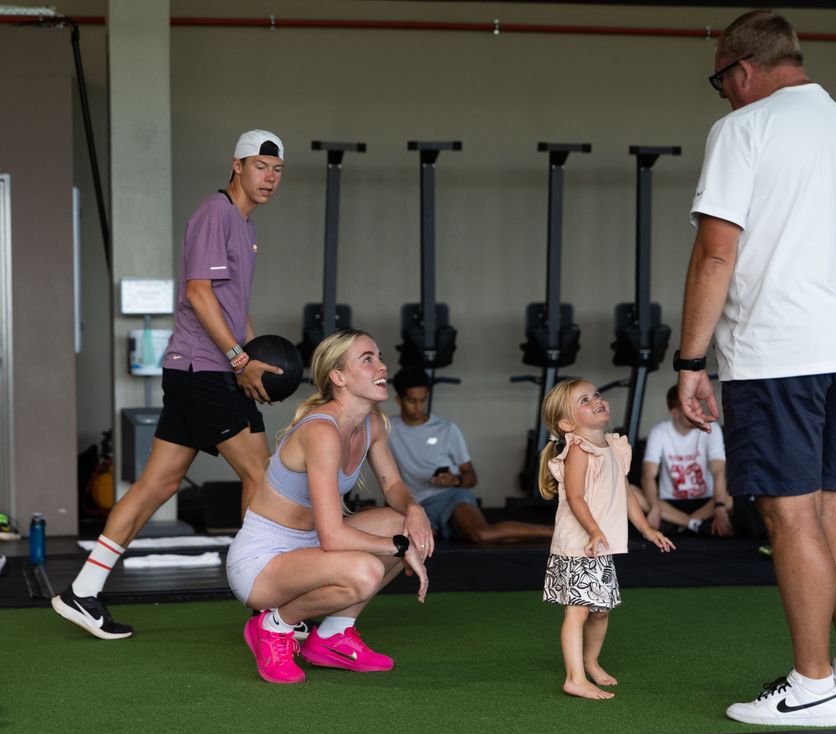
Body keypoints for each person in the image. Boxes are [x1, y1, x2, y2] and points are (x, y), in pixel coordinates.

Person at [676, 11, 836, 727]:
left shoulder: (743, 129)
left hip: (777, 352)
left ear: (740, 70)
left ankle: (813, 684)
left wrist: (690, 360)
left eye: (721, 82)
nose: (725, 96)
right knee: (835, 502)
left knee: (789, 510)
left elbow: (714, 254)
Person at [53, 130, 288, 640]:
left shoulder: (244, 226)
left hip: (201, 370)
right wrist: (237, 359)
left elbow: (235, 307)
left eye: (277, 169)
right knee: (261, 475)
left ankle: (83, 591)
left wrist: (256, 361)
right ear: (237, 166)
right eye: (260, 166)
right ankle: (261, 604)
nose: (269, 176)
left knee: (157, 484)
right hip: (203, 369)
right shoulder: (215, 213)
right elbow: (199, 295)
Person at [226, 330, 432, 684]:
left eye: (379, 356)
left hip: (310, 547)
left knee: (407, 526)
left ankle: (331, 636)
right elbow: (333, 535)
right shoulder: (321, 430)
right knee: (366, 570)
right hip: (262, 562)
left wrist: (414, 511)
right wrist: (400, 548)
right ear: (338, 377)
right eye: (367, 360)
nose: (382, 366)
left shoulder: (371, 423)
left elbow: (393, 486)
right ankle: (274, 627)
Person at [538, 378, 675, 700]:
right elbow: (575, 497)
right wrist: (595, 530)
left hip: (600, 547)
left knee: (601, 609)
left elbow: (624, 491)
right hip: (578, 545)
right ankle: (574, 677)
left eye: (596, 395)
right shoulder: (579, 451)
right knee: (578, 611)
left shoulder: (613, 447)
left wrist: (646, 528)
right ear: (567, 423)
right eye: (584, 401)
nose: (596, 400)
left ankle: (590, 661)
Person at [388, 366, 554, 543]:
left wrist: (455, 480)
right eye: (412, 401)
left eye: (423, 400)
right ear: (399, 400)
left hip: (449, 496)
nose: (419, 407)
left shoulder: (446, 429)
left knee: (482, 534)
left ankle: (556, 532)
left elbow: (471, 477)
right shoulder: (387, 428)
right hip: (414, 505)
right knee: (413, 542)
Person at [639, 385, 732, 536]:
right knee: (630, 492)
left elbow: (719, 471)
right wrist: (655, 507)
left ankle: (681, 524)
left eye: (697, 406)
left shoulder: (711, 428)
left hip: (707, 502)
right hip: (668, 504)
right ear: (675, 413)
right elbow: (648, 475)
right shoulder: (660, 431)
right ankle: (693, 524)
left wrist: (720, 507)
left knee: (734, 494)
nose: (699, 412)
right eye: (691, 408)